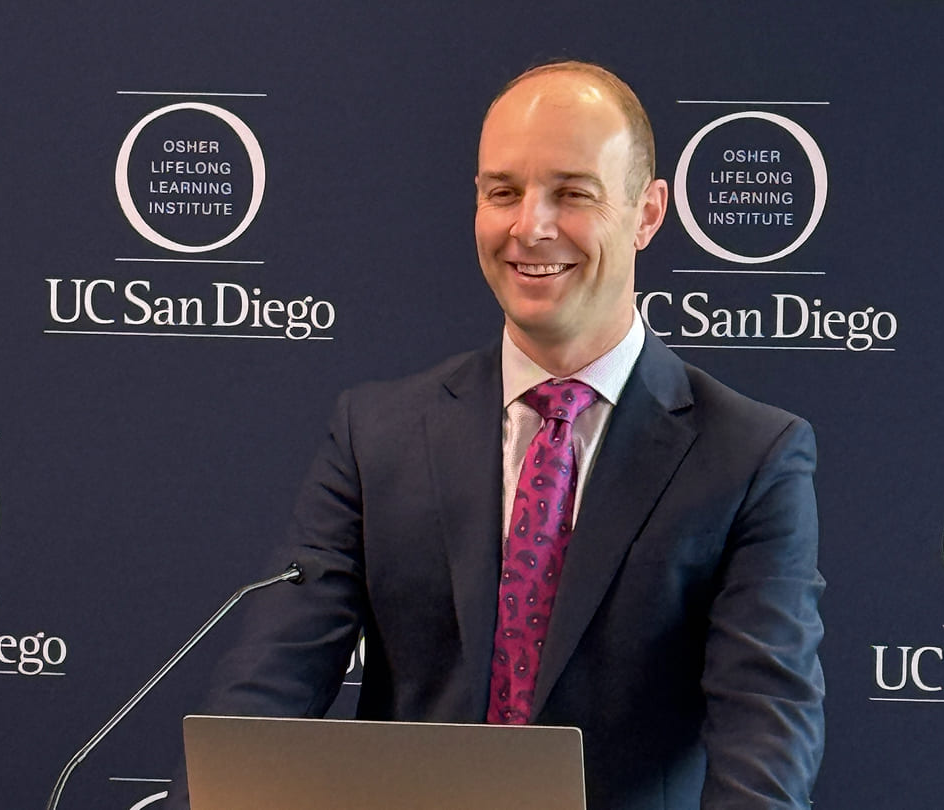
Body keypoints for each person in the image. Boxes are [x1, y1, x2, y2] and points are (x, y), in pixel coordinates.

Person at [170, 60, 824, 809]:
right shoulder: (375, 434)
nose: (530, 226)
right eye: (503, 192)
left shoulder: (749, 457)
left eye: (572, 193)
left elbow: (766, 741)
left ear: (647, 213)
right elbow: (267, 689)